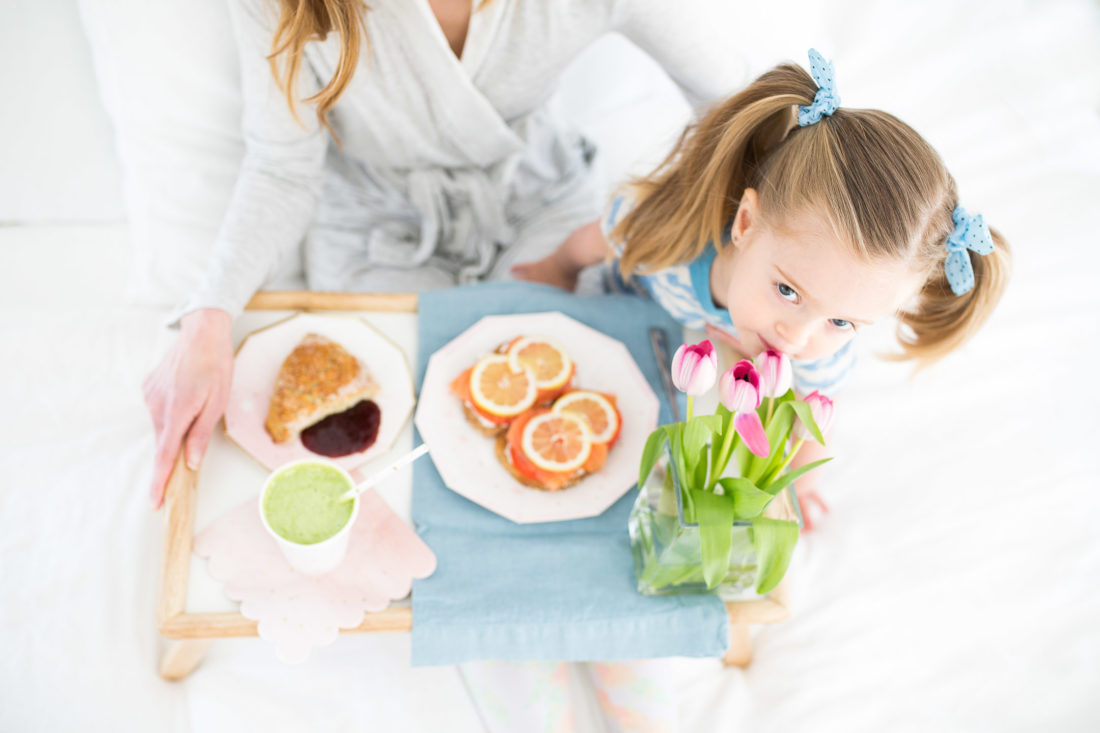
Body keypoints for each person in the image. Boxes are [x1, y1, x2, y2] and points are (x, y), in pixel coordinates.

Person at [143, 0, 750, 509]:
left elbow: (742, 110)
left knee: (603, 432)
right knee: (410, 456)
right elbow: (281, 170)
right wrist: (210, 315)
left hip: (538, 204)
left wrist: (754, 267)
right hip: (378, 228)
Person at [514, 49, 1011, 527]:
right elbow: (600, 238)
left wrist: (804, 483)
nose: (795, 337)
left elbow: (816, 420)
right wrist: (557, 269)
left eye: (841, 322)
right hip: (625, 311)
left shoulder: (820, 355)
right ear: (746, 222)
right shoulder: (669, 243)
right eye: (789, 292)